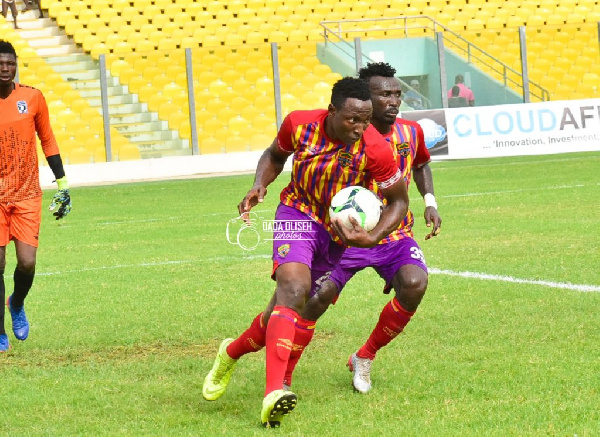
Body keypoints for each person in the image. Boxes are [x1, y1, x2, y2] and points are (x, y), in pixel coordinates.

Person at [202, 77, 409, 428]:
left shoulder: (375, 149)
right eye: (352, 120)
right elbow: (274, 154)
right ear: (332, 111)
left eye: (365, 120)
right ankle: (274, 393)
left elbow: (399, 201)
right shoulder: (299, 124)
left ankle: (230, 352)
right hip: (297, 213)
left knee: (278, 316)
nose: (360, 128)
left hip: (337, 234)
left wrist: (372, 237)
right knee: (293, 290)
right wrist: (259, 184)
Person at [0, 40, 72, 352]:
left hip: (27, 194)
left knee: (26, 264)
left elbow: (48, 139)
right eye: (0, 63)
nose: (5, 68)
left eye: (9, 63)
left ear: (16, 65)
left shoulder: (32, 97)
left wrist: (63, 184)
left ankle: (16, 303)